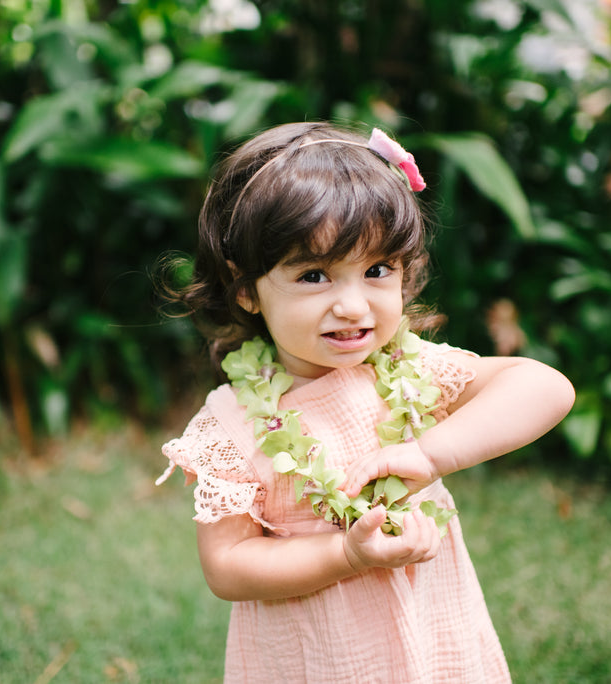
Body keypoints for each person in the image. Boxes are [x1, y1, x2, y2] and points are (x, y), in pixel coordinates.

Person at [157, 121, 575, 682]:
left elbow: (546, 388)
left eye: (377, 270)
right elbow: (228, 566)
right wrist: (345, 556)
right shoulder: (232, 427)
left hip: (432, 635)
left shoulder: (407, 373)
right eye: (314, 275)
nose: (354, 305)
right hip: (315, 655)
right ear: (247, 289)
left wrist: (431, 454)